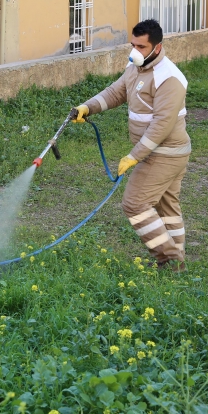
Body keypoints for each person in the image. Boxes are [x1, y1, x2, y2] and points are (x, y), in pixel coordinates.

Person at [71, 19, 190, 272]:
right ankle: (177, 265)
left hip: (164, 154)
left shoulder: (169, 78)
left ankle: (170, 260)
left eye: (141, 46)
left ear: (157, 47)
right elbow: (116, 92)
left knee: (135, 204)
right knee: (167, 206)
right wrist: (87, 107)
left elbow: (162, 125)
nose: (135, 51)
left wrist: (135, 156)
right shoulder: (136, 66)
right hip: (158, 153)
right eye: (133, 45)